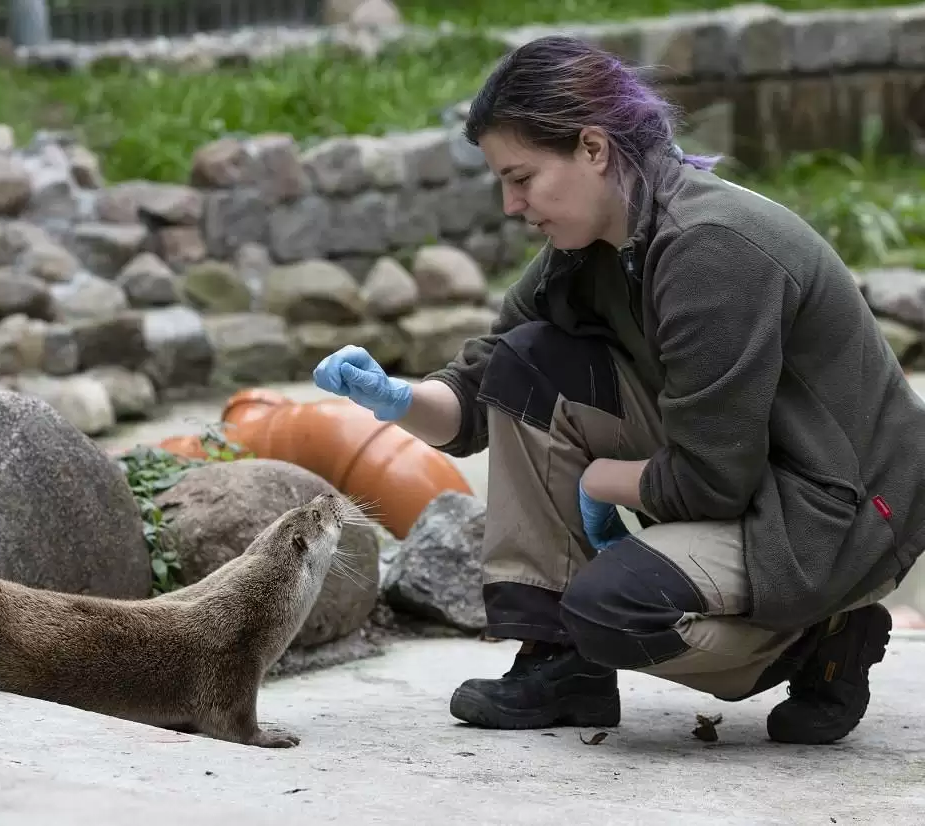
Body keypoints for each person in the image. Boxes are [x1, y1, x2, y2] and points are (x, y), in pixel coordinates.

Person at [313, 34, 925, 745]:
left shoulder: (709, 246)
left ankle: (823, 639)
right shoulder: (592, 244)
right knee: (529, 360)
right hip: (751, 466)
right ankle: (558, 663)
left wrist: (601, 480)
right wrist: (395, 399)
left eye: (522, 177)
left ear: (594, 148)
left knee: (613, 610)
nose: (511, 204)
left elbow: (711, 483)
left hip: (839, 508)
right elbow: (486, 387)